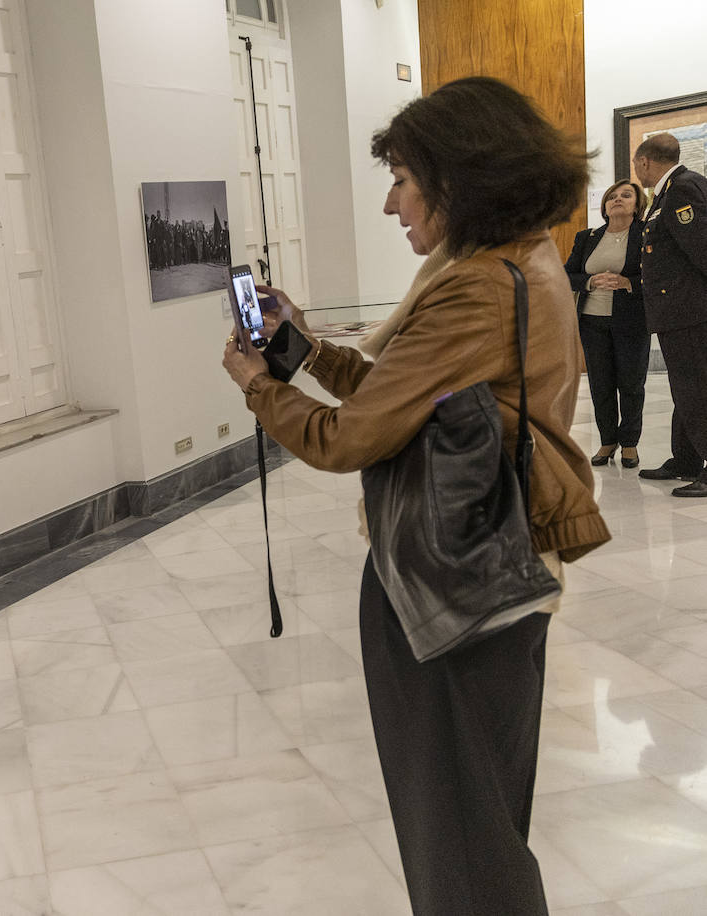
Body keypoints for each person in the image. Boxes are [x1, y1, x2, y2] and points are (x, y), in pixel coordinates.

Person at [222, 77, 609, 915]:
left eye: (402, 177)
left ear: (458, 176)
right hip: (481, 570)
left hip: (450, 580)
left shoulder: (475, 283)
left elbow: (348, 438)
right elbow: (407, 393)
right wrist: (307, 351)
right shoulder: (518, 257)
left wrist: (261, 384)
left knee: (458, 833)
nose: (394, 203)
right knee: (476, 818)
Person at [632, 134, 707, 496]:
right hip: (678, 310)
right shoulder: (668, 192)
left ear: (645, 161)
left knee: (698, 390)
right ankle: (686, 460)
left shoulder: (683, 189)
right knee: (685, 390)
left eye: (636, 165)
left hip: (690, 311)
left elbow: (702, 249)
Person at [563, 179, 650, 468]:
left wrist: (628, 283)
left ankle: (629, 444)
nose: (618, 199)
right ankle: (607, 441)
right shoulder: (587, 237)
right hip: (591, 322)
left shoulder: (646, 235)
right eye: (612, 196)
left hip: (632, 321)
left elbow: (656, 277)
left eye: (626, 196)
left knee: (631, 384)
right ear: (604, 205)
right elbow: (567, 275)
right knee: (601, 384)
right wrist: (588, 281)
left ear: (637, 206)